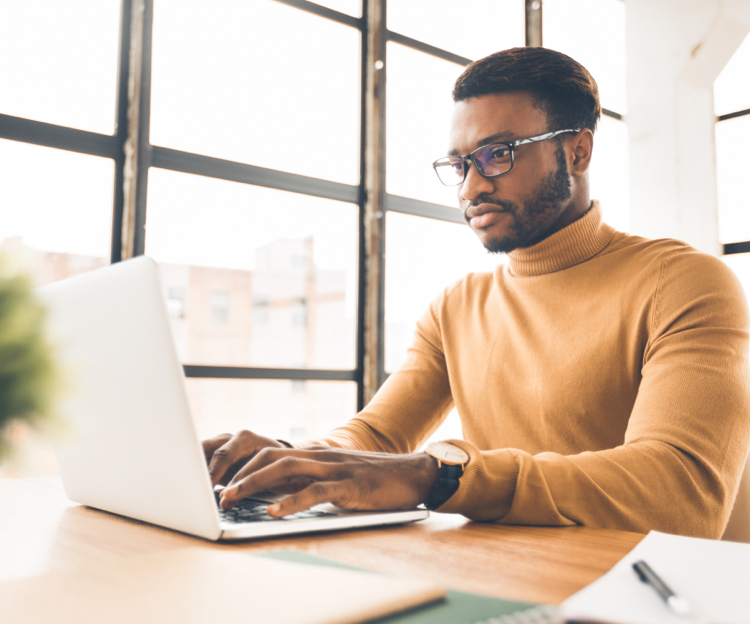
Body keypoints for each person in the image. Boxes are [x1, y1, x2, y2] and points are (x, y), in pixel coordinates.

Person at [204, 47, 750, 539]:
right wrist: (291, 462)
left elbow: (682, 495)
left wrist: (441, 475)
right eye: (460, 164)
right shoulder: (456, 305)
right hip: (517, 576)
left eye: (498, 155)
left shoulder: (684, 283)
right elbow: (376, 433)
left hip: (661, 593)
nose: (471, 187)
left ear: (578, 153)